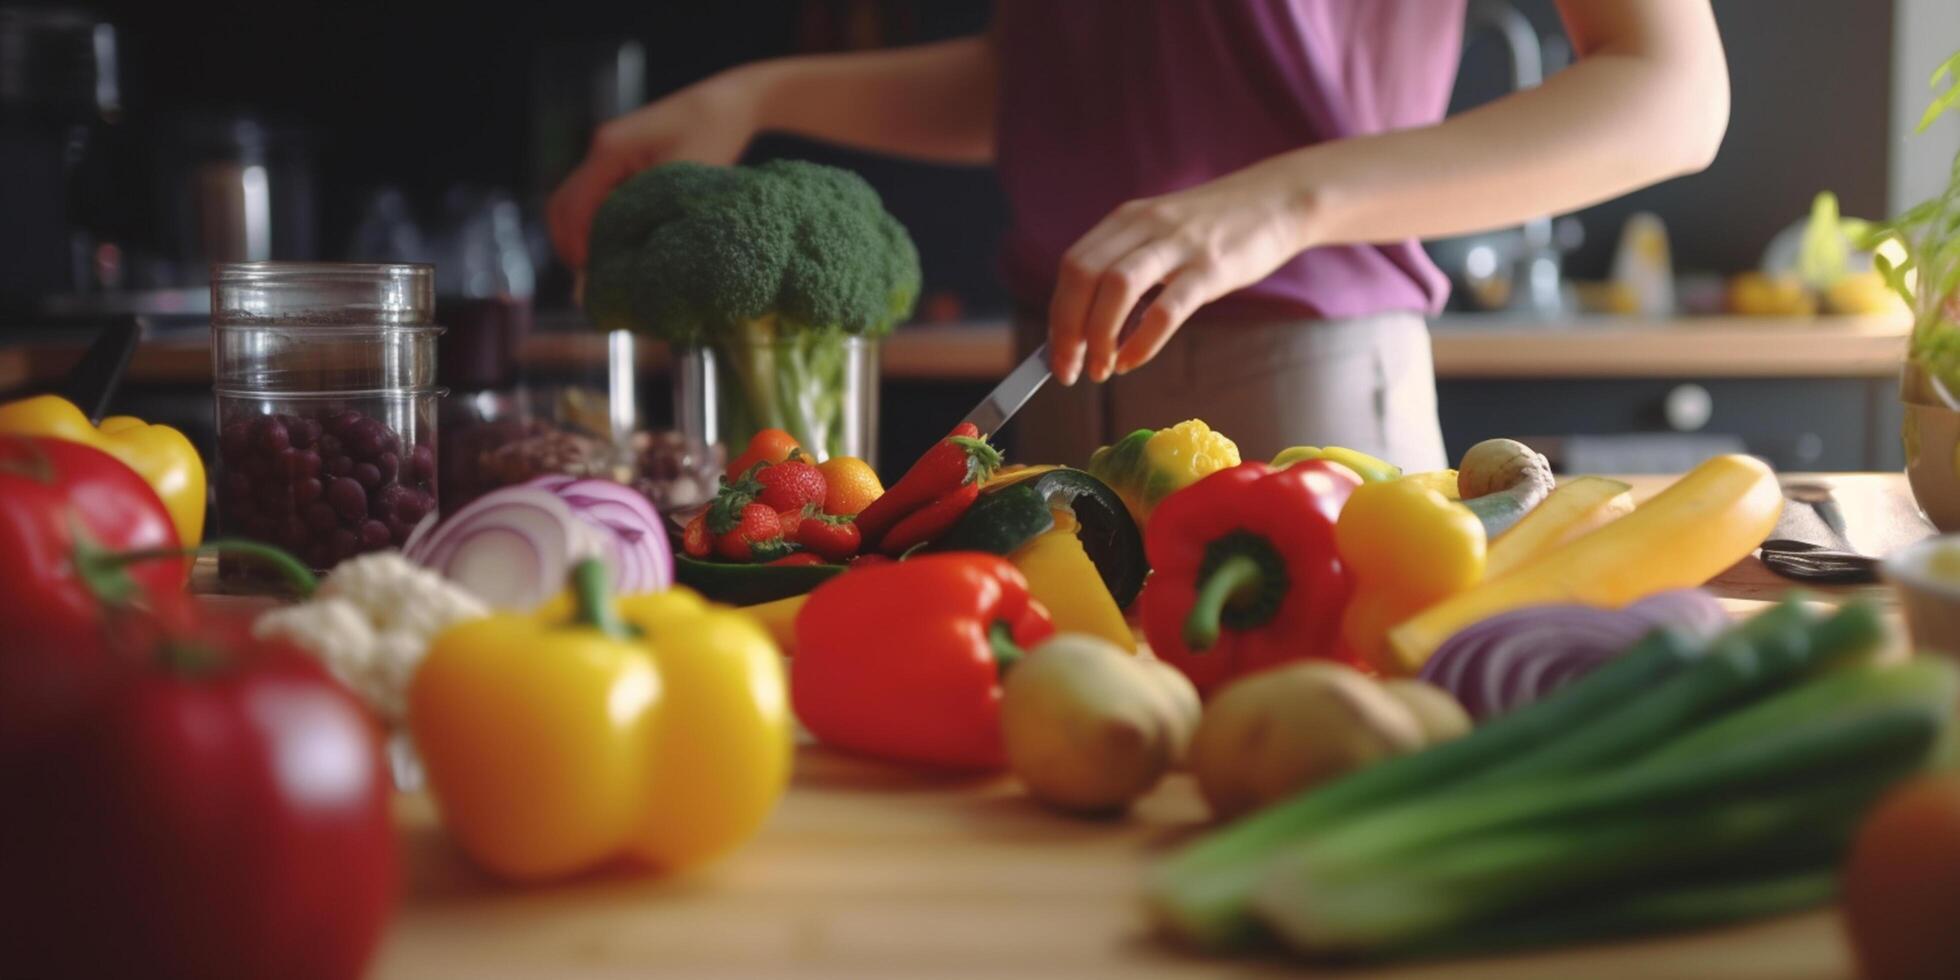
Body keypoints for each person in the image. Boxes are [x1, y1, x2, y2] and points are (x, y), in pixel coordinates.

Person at [549, 0, 1729, 469]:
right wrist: (756, 95)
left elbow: (1673, 91)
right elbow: (1055, 80)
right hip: (1050, 391)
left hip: (1303, 394)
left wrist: (1278, 199)